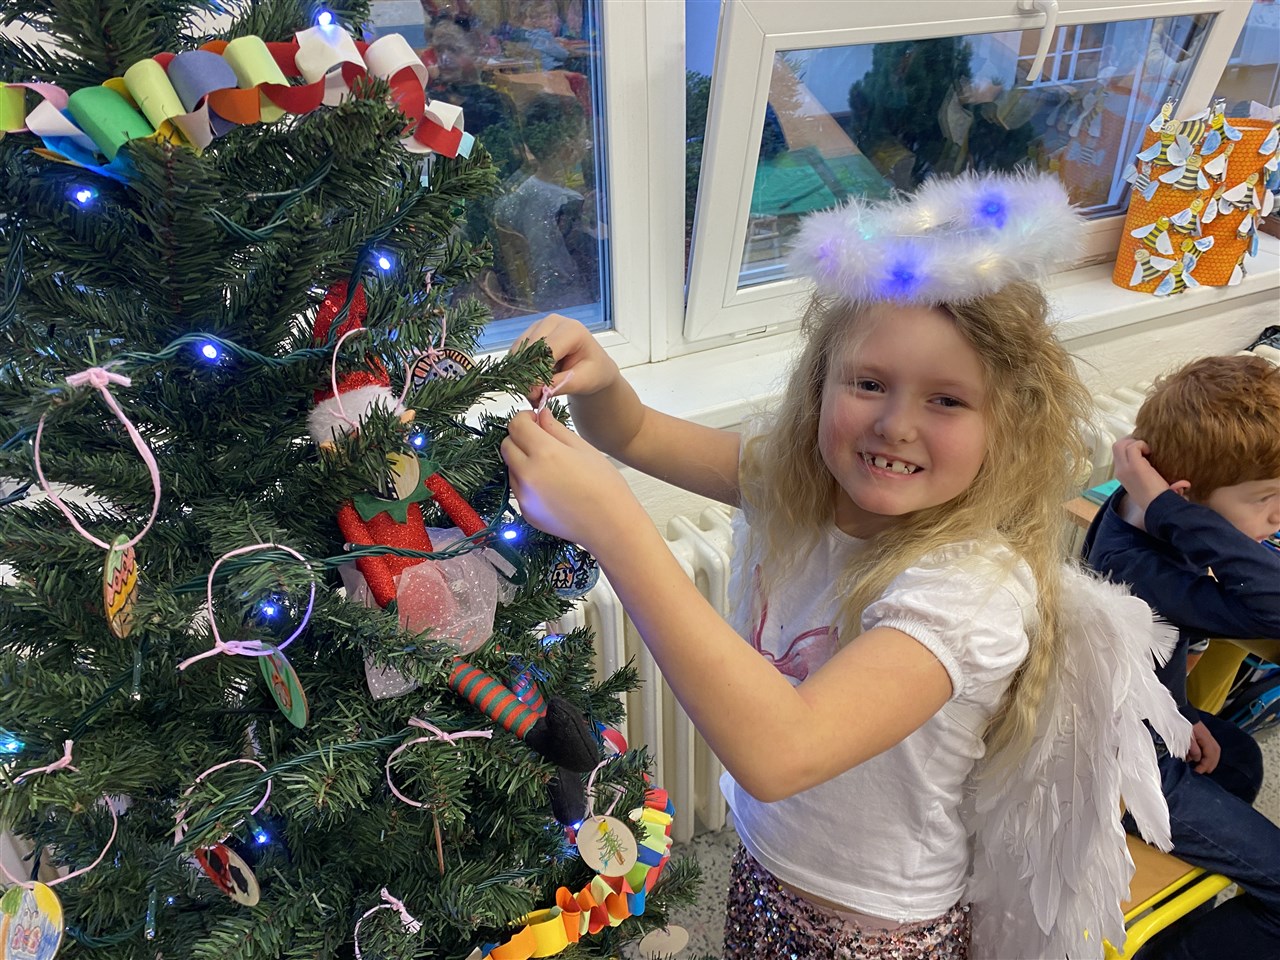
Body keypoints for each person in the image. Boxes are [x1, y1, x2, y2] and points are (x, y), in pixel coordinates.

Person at [501, 173, 1177, 959]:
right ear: (822, 383)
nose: (895, 425)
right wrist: (602, 377)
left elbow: (781, 752)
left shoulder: (971, 593)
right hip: (764, 871)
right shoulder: (797, 483)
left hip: (877, 933)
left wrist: (613, 526)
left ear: (1009, 422)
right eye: (869, 383)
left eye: (947, 400)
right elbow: (637, 434)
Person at [1082, 353, 1280, 960]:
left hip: (1132, 718)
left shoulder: (1132, 513)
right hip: (1119, 770)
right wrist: (1176, 512)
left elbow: (1141, 659)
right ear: (1183, 501)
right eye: (1266, 499)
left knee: (1239, 759)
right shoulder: (1143, 563)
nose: (1277, 517)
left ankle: (1188, 914)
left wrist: (1177, 712)